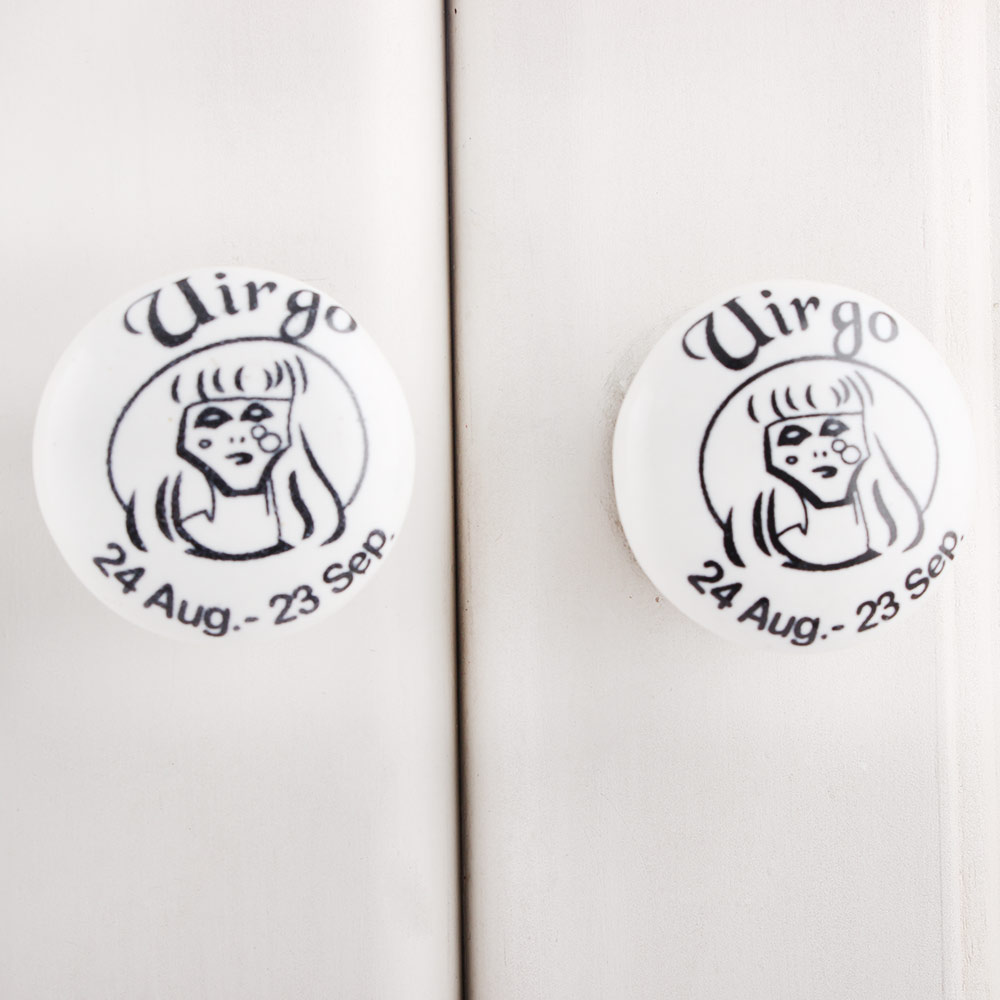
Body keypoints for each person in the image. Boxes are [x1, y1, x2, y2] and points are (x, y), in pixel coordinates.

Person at [108, 337, 366, 560]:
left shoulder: (305, 539)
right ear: (182, 437)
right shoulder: (184, 534)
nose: (237, 434)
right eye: (213, 419)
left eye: (257, 415)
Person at [700, 357, 937, 571]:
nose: (819, 449)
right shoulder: (781, 547)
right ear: (769, 455)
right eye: (794, 437)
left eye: (834, 429)